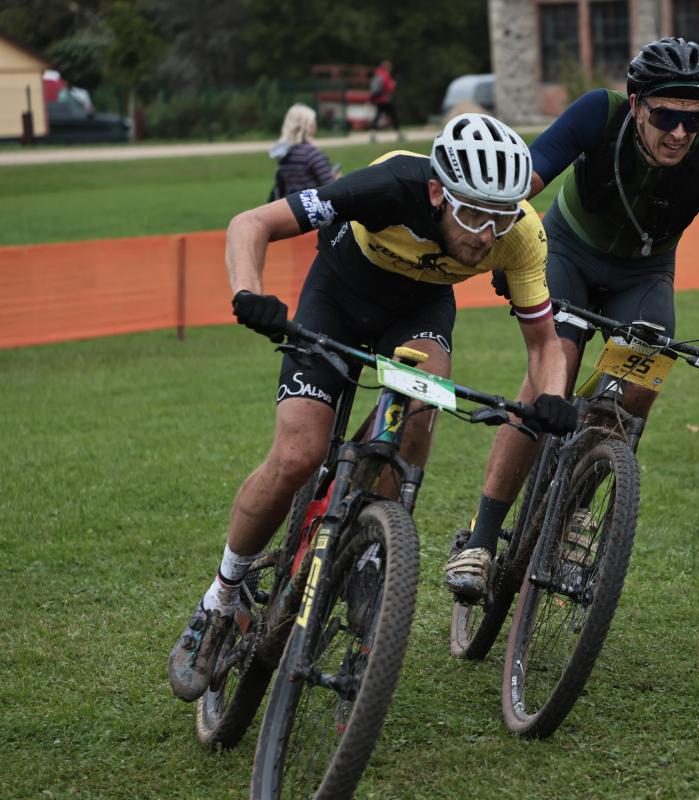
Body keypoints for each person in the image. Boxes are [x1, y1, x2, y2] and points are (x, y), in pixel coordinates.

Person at [167, 112, 577, 701]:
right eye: (473, 214)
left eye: (502, 215)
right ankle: (221, 598)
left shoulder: (520, 233)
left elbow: (544, 344)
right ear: (436, 192)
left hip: (419, 311)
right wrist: (249, 292)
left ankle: (369, 554)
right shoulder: (386, 186)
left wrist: (554, 397)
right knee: (299, 453)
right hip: (337, 295)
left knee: (421, 406)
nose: (487, 234)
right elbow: (250, 223)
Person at [442, 36, 699, 602]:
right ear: (636, 103)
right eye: (666, 115)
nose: (679, 133)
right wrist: (504, 249)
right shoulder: (597, 115)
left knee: (639, 386)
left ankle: (576, 509)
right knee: (552, 372)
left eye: (693, 119)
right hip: (566, 255)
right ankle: (480, 538)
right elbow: (519, 190)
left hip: (643, 277)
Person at [268, 103, 340, 199]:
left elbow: (281, 189)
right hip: (312, 205)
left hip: (292, 205)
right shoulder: (312, 154)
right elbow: (331, 189)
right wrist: (337, 180)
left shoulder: (283, 154)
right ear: (308, 126)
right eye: (313, 121)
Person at [368, 59, 399, 132]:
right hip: (385, 99)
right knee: (394, 115)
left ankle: (372, 133)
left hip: (378, 99)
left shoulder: (377, 73)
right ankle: (398, 132)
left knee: (378, 116)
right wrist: (393, 84)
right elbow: (389, 87)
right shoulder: (385, 75)